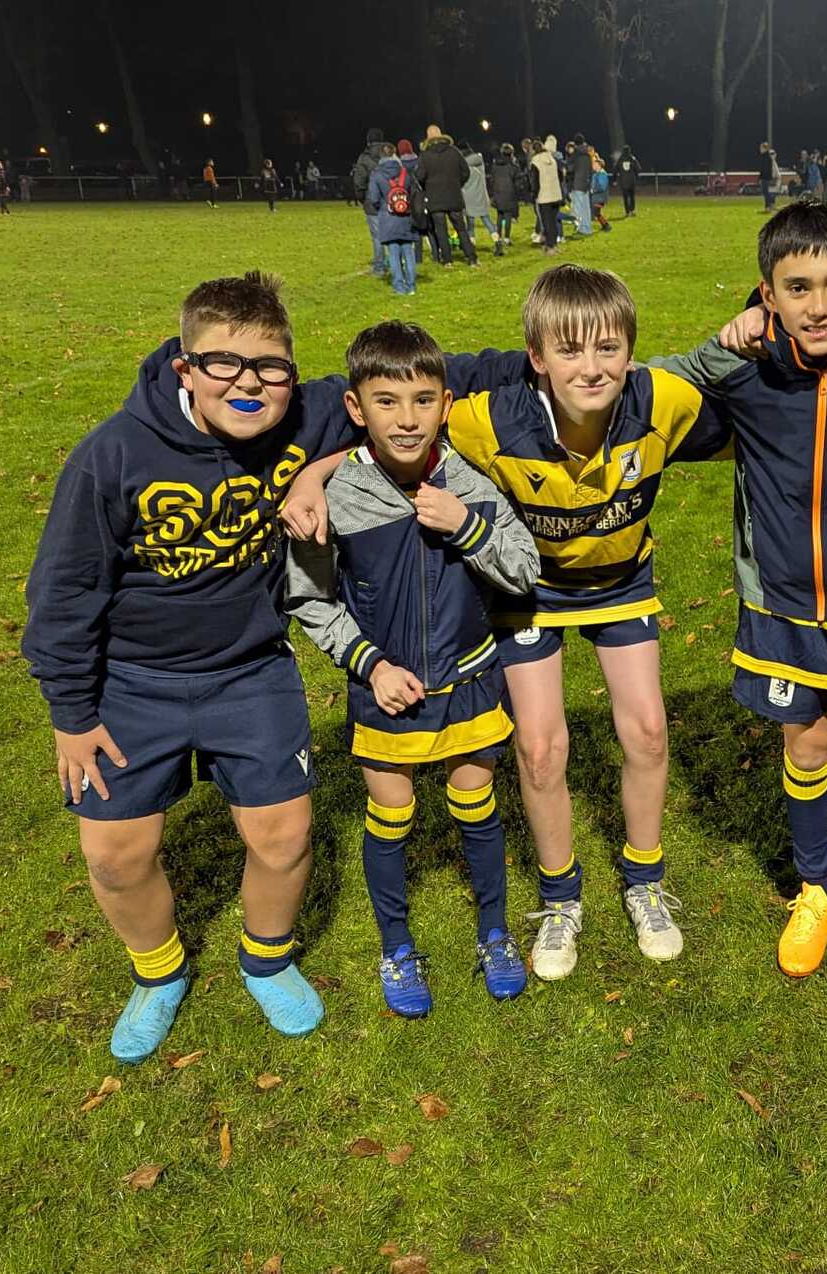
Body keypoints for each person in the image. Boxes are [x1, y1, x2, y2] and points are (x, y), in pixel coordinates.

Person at [288, 265, 726, 980]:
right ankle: (559, 897)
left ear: (632, 351)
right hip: (527, 588)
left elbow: (755, 412)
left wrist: (751, 330)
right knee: (541, 749)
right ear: (536, 357)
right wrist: (314, 474)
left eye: (609, 348)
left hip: (619, 581)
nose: (592, 367)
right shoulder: (486, 417)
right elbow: (395, 424)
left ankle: (644, 881)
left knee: (648, 730)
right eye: (570, 350)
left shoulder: (663, 398)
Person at [21, 271, 362, 1062]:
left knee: (283, 838)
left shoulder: (308, 414)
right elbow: (62, 595)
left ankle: (266, 960)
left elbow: (414, 387)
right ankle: (158, 972)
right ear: (184, 367)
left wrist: (315, 471)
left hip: (250, 671)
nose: (248, 383)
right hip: (129, 683)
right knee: (114, 857)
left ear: (291, 370)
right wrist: (72, 715)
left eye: (269, 366)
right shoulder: (112, 455)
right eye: (223, 364)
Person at [659, 203, 827, 1022]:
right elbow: (652, 385)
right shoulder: (743, 369)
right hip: (780, 609)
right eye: (797, 287)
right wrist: (725, 340)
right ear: (767, 293)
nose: (817, 305)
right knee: (806, 752)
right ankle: (816, 890)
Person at [286, 320, 539, 1015]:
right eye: (387, 402)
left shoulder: (468, 485)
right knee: (391, 814)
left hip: (470, 681)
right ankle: (396, 947)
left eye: (423, 400)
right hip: (385, 690)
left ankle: (494, 933)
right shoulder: (335, 497)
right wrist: (370, 666)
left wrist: (467, 526)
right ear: (355, 408)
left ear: (445, 405)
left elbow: (524, 569)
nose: (407, 419)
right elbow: (309, 598)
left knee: (476, 807)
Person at [365, 141, 423, 296]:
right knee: (408, 251)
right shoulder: (404, 172)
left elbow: (373, 198)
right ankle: (411, 286)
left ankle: (399, 286)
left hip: (388, 216)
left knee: (393, 252)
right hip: (405, 216)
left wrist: (383, 207)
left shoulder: (377, 174)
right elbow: (412, 192)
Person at [419, 127, 477, 268]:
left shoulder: (425, 155)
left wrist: (427, 187)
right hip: (454, 195)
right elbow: (465, 171)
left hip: (435, 198)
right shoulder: (454, 151)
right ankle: (471, 258)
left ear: (428, 137)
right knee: (461, 228)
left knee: (441, 230)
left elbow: (420, 176)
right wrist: (457, 184)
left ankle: (447, 260)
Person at [353, 129, 390, 275]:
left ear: (368, 141)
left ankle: (380, 267)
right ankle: (396, 264)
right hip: (390, 200)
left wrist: (362, 198)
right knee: (394, 234)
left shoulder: (364, 158)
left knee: (377, 236)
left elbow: (359, 182)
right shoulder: (390, 154)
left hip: (372, 201)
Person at [532, 133, 565, 253]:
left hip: (544, 196)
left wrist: (534, 195)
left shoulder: (535, 161)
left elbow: (535, 181)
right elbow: (561, 176)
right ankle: (554, 245)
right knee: (553, 221)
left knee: (547, 223)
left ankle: (550, 247)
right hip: (556, 194)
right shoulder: (552, 159)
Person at [488, 142, 522, 256]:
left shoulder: (495, 165)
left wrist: (493, 192)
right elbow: (517, 181)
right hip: (509, 193)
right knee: (507, 216)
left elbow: (491, 179)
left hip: (497, 192)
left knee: (499, 215)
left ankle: (498, 237)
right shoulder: (513, 166)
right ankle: (506, 238)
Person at [461, 142, 495, 250]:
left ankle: (472, 244)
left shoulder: (462, 165)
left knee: (470, 224)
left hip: (468, 197)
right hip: (481, 195)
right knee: (487, 220)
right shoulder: (479, 160)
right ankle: (497, 240)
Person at [568, 134, 596, 235]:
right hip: (586, 183)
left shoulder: (575, 154)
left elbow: (570, 168)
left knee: (579, 209)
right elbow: (591, 170)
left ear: (575, 143)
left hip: (577, 183)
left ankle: (582, 229)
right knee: (586, 208)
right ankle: (587, 228)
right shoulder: (588, 155)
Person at [615, 144, 640, 216]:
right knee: (632, 196)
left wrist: (615, 179)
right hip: (631, 181)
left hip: (623, 182)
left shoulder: (620, 159)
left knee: (625, 197)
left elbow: (615, 170)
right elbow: (638, 168)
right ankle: (632, 210)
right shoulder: (632, 158)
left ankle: (627, 212)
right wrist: (636, 176)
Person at [758, 141, 780, 213]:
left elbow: (764, 169)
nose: (760, 149)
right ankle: (770, 207)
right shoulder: (767, 157)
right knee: (767, 193)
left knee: (766, 193)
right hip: (767, 178)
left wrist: (761, 177)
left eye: (761, 148)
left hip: (766, 178)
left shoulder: (766, 157)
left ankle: (768, 207)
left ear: (764, 148)